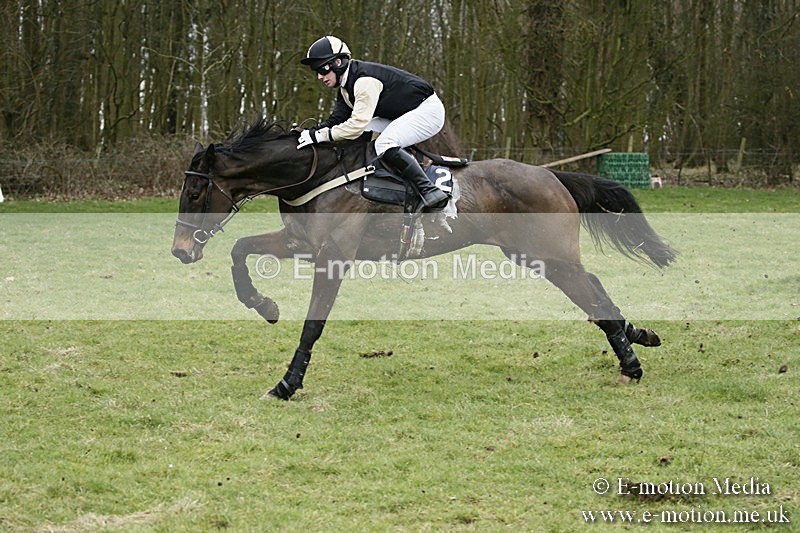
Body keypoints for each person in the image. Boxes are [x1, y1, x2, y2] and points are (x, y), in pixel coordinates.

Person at [297, 35, 450, 210]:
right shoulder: (346, 88)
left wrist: (319, 135)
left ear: (337, 63)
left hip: (427, 111)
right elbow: (336, 121)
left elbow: (355, 125)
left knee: (384, 143)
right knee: (366, 132)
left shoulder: (363, 82)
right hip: (405, 113)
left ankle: (429, 191)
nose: (319, 77)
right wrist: (310, 133)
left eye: (322, 70)